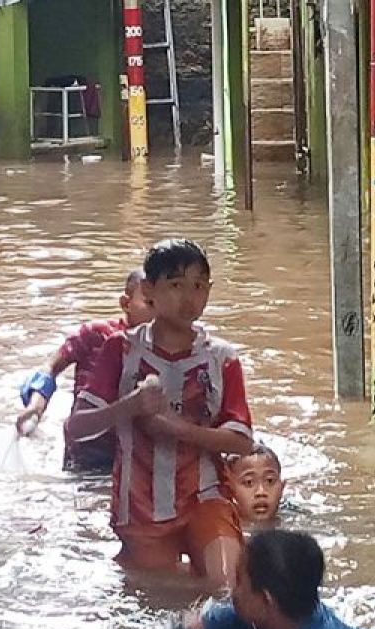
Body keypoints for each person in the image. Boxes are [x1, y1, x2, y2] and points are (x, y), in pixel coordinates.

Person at [66, 239, 254, 586]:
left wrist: (178, 429)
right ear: (150, 290)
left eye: (198, 286)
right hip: (139, 506)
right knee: (158, 593)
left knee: (227, 586)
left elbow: (242, 441)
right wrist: (129, 406)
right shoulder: (121, 350)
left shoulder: (221, 357)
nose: (189, 298)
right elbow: (76, 428)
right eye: (176, 285)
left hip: (206, 496)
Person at [146, 529, 375, 629]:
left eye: (239, 581)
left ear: (266, 600)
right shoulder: (276, 614)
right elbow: (208, 628)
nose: (232, 591)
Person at [16, 269, 154, 471]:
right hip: (85, 450)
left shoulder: (166, 346)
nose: (158, 312)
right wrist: (36, 407)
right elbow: (50, 369)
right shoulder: (96, 334)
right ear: (126, 304)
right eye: (149, 303)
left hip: (132, 455)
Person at [225, 443, 286, 529]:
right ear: (229, 489)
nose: (261, 492)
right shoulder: (220, 530)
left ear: (282, 487)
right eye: (249, 482)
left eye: (270, 480)